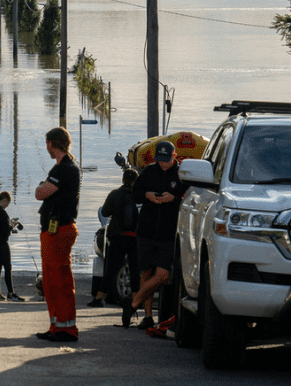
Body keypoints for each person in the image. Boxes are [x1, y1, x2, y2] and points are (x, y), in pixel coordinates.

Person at [122, 140, 187, 330]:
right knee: (146, 272)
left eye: (167, 160)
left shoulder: (181, 174)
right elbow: (135, 193)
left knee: (163, 274)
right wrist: (148, 195)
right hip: (147, 229)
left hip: (168, 231)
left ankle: (133, 303)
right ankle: (148, 316)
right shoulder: (150, 171)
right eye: (160, 160)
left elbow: (189, 197)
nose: (163, 163)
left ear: (174, 156)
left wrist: (173, 198)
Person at [34, 127, 82, 342]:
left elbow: (40, 193)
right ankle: (57, 325)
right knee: (53, 280)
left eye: (47, 144)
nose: (47, 148)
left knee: (57, 280)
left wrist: (41, 186)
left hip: (58, 230)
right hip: (58, 229)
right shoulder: (66, 167)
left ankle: (65, 328)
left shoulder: (63, 169)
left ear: (52, 144)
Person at [89, 168, 139, 307]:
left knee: (110, 269)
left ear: (123, 180)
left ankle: (98, 299)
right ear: (136, 181)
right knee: (135, 271)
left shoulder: (115, 194)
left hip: (117, 236)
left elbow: (105, 212)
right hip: (135, 237)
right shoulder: (139, 196)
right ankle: (134, 302)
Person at [0, 191, 25, 302]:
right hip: (2, 242)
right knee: (7, 267)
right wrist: (13, 225)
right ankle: (11, 293)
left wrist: (10, 224)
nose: (7, 206)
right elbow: (6, 229)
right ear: (5, 201)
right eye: (7, 204)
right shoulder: (2, 212)